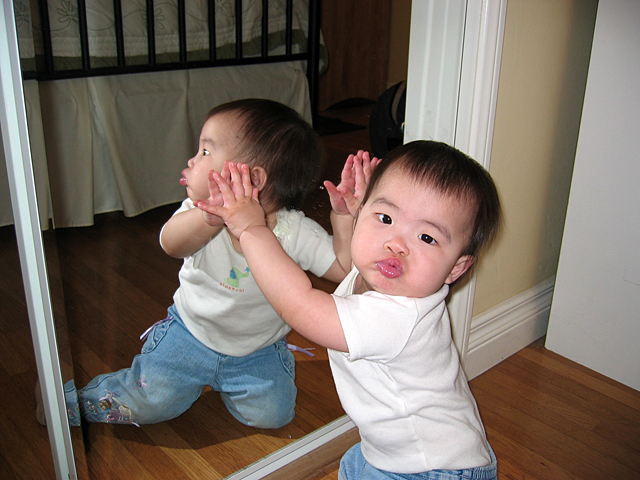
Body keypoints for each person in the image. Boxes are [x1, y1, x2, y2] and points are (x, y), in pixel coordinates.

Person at [201, 140, 502, 479]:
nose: (396, 243)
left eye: (427, 238)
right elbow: (348, 265)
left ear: (455, 269)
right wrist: (347, 216)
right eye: (385, 217)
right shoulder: (382, 276)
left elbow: (301, 306)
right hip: (398, 451)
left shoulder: (399, 316)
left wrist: (251, 229)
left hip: (431, 470)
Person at [69, 98, 351, 429]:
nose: (191, 159)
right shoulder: (200, 214)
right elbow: (171, 244)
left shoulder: (295, 231)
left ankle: (233, 381)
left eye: (205, 152)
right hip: (190, 334)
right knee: (150, 400)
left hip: (256, 348)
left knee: (274, 416)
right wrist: (207, 218)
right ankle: (72, 403)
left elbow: (344, 269)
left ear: (252, 179)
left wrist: (343, 218)